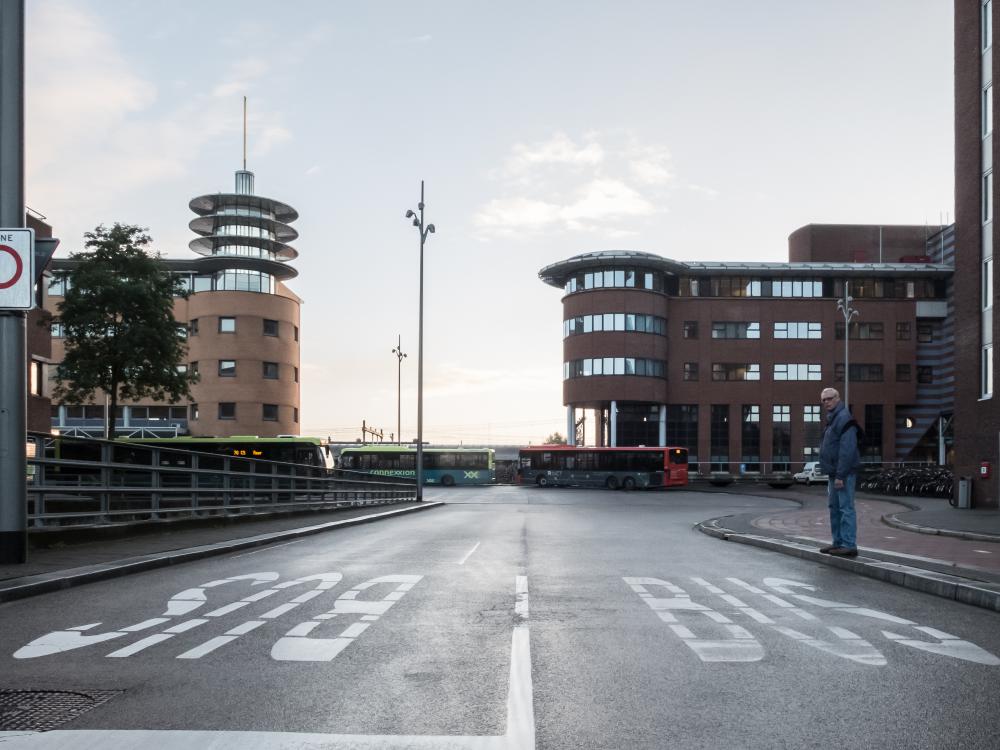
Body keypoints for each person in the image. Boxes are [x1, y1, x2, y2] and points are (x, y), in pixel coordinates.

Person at [817, 387, 860, 556]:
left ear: (838, 398)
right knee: (834, 507)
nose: (826, 402)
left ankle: (849, 544)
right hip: (834, 473)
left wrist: (841, 475)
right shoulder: (833, 419)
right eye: (823, 400)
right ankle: (838, 542)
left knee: (845, 508)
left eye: (829, 398)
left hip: (843, 474)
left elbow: (847, 449)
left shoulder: (844, 418)